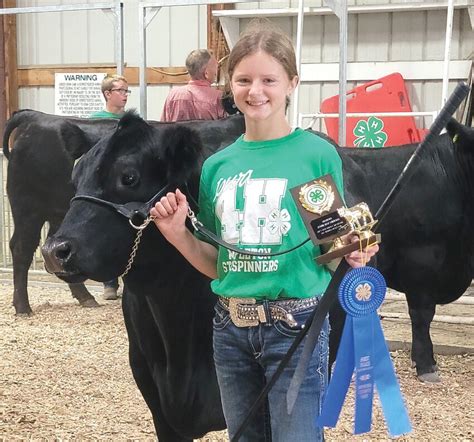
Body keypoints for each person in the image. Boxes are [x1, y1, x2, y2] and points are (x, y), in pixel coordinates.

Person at [151, 20, 378, 441]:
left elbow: (332, 243)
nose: (255, 91)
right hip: (229, 329)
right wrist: (178, 234)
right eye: (244, 80)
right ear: (229, 85)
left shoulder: (314, 155)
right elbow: (220, 265)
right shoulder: (219, 166)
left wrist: (352, 253)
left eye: (269, 79)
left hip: (296, 326)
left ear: (292, 83)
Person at [91, 74, 131, 299]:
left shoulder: (130, 120)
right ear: (108, 94)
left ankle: (128, 279)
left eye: (127, 91)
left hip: (125, 185)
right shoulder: (94, 121)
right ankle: (109, 282)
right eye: (121, 91)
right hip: (105, 187)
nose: (125, 95)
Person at [161, 49, 226, 122]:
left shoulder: (173, 95)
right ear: (206, 74)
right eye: (215, 66)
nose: (216, 71)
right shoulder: (218, 98)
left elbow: (163, 125)